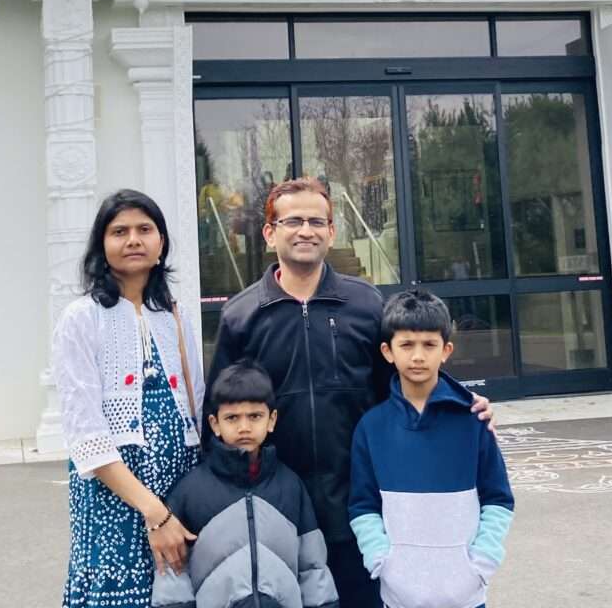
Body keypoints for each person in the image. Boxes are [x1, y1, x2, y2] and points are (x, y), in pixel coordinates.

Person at [204, 177, 495, 608]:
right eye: (293, 220)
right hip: (278, 508)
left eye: (317, 221)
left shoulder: (366, 304)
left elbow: (405, 376)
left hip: (363, 505)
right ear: (270, 232)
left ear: (332, 232)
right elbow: (220, 407)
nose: (306, 230)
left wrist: (458, 402)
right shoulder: (241, 314)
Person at [53, 189, 205, 608]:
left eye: (145, 229)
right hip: (114, 494)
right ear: (102, 245)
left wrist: (174, 508)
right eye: (120, 231)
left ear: (161, 244)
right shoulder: (81, 319)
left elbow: (199, 405)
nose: (133, 239)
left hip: (178, 485)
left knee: (175, 592)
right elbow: (87, 436)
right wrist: (154, 513)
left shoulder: (174, 314)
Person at [348, 289, 514, 608]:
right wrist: (382, 563)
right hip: (398, 597)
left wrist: (480, 566)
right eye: (406, 345)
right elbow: (362, 506)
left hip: (467, 596)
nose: (418, 356)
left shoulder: (473, 421)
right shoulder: (372, 427)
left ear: (446, 350)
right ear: (387, 351)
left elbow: (498, 499)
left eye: (429, 345)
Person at [151, 359, 339, 608]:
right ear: (214, 424)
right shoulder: (190, 491)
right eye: (232, 418)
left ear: (271, 420)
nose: (244, 427)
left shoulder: (291, 486)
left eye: (254, 416)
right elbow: (174, 572)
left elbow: (312, 565)